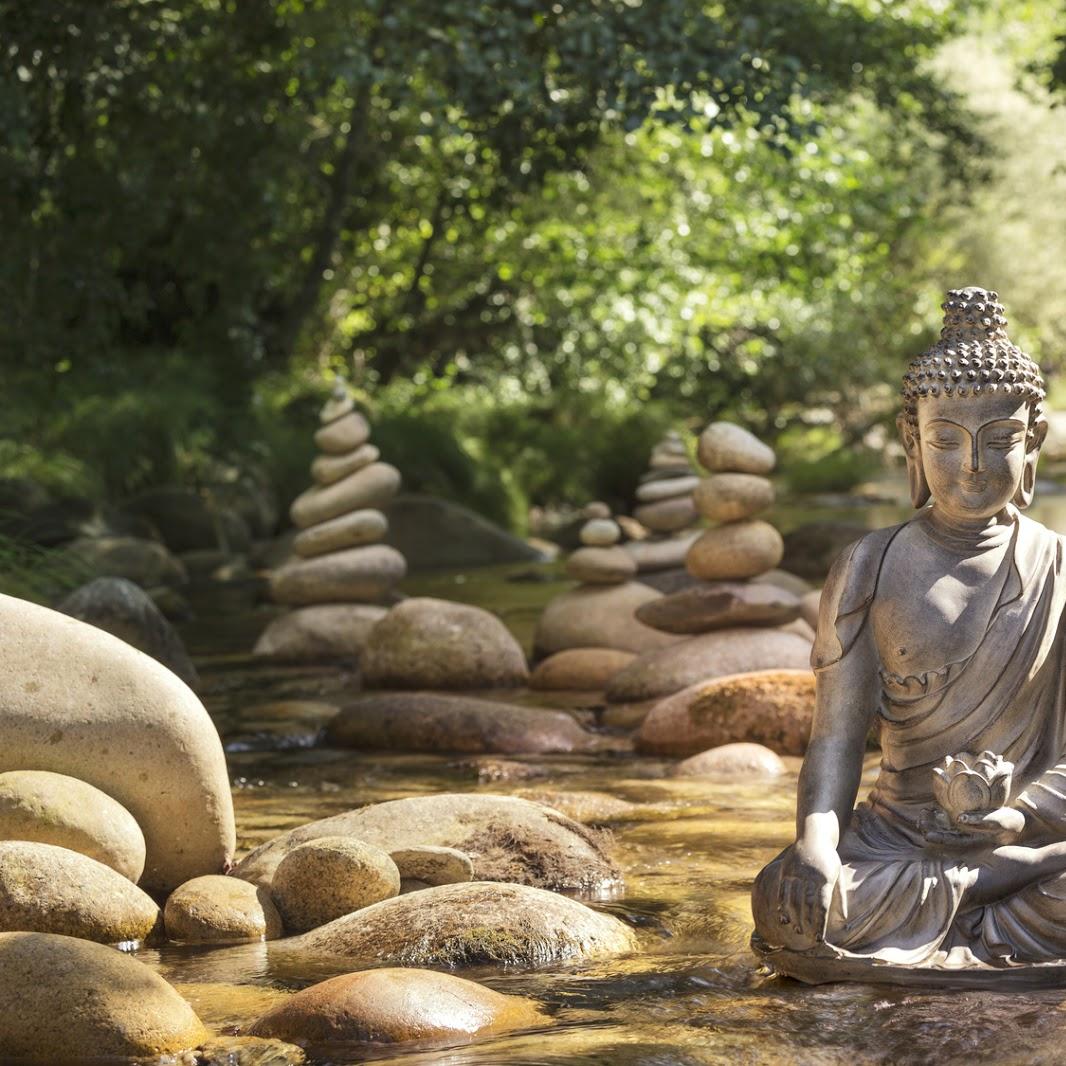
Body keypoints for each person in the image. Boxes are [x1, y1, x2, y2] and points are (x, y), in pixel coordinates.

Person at [752, 287, 1066, 979]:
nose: (973, 466)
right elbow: (835, 738)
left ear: (1034, 439)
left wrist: (1018, 822)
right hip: (898, 841)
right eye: (946, 441)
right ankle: (986, 903)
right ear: (911, 442)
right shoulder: (868, 565)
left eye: (1000, 441)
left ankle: (1004, 881)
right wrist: (815, 844)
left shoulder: (1061, 567)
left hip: (1030, 835)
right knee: (793, 901)